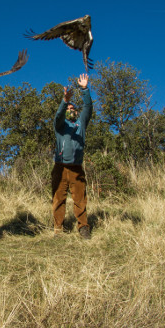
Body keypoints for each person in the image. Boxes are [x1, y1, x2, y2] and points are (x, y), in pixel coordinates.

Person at [51, 74, 93, 239]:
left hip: (76, 168)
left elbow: (88, 108)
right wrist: (64, 101)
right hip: (60, 167)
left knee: (80, 199)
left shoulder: (81, 123)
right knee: (58, 198)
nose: (71, 111)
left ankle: (83, 228)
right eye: (69, 109)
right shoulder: (60, 126)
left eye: (73, 109)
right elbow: (57, 117)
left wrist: (85, 89)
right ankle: (58, 229)